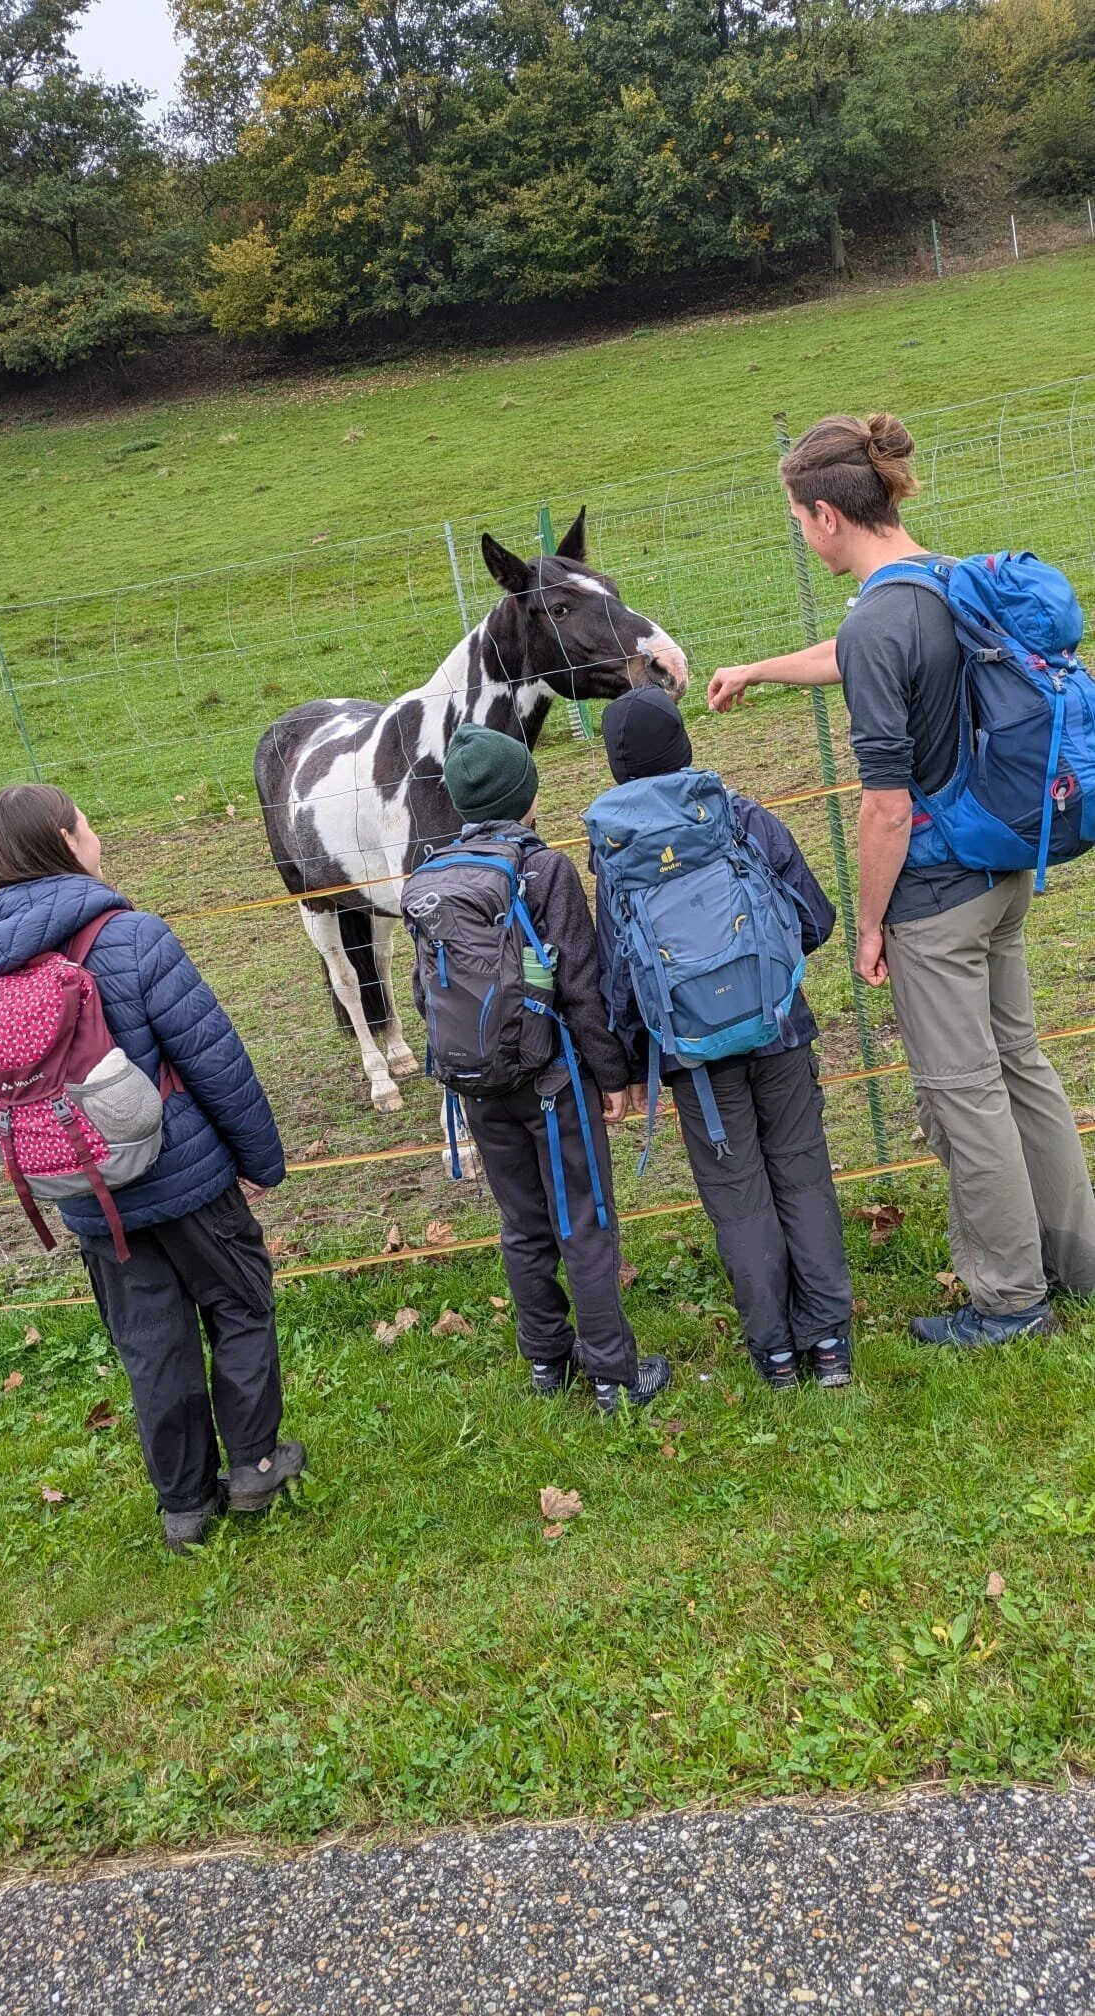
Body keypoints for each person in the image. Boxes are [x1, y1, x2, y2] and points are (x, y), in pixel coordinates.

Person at [707, 411, 1095, 1345]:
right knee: (1022, 1067)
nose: (801, 536)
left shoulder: (883, 619)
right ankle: (1078, 1262)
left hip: (936, 896)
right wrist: (761, 667)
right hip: (1003, 866)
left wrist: (872, 924)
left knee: (964, 1092)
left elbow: (883, 809)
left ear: (827, 515)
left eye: (799, 519)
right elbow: (857, 658)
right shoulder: (941, 582)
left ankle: (1008, 1301)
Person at [0, 783, 302, 1551]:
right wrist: (260, 1161)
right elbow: (214, 1061)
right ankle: (253, 1466)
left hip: (86, 1192)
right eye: (87, 820)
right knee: (241, 1305)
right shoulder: (134, 937)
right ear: (63, 837)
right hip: (186, 1182)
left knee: (151, 1344)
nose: (95, 830)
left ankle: (184, 1507)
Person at [593, 685, 852, 1388]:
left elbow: (619, 975)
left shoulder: (616, 853)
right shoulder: (740, 816)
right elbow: (815, 920)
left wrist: (635, 1062)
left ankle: (774, 1355)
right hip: (777, 1029)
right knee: (800, 1170)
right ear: (684, 742)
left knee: (736, 1194)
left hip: (691, 1058)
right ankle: (828, 1344)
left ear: (617, 766)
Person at [415, 721, 672, 1415]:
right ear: (526, 793)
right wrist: (612, 1074)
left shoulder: (432, 879)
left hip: (475, 1083)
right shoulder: (544, 869)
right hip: (553, 1081)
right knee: (582, 1222)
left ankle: (545, 1363)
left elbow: (423, 991)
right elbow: (582, 985)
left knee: (523, 1224)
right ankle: (615, 1377)